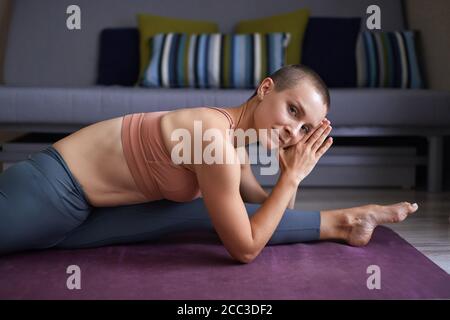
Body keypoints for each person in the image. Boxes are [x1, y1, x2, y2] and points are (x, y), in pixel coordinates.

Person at [0, 64, 418, 262]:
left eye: (304, 127)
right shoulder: (212, 141)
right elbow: (245, 249)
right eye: (292, 110)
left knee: (218, 211)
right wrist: (290, 178)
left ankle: (347, 222)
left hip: (86, 217)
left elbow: (270, 215)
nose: (293, 131)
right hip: (50, 191)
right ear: (265, 88)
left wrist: (293, 175)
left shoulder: (235, 142)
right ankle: (343, 221)